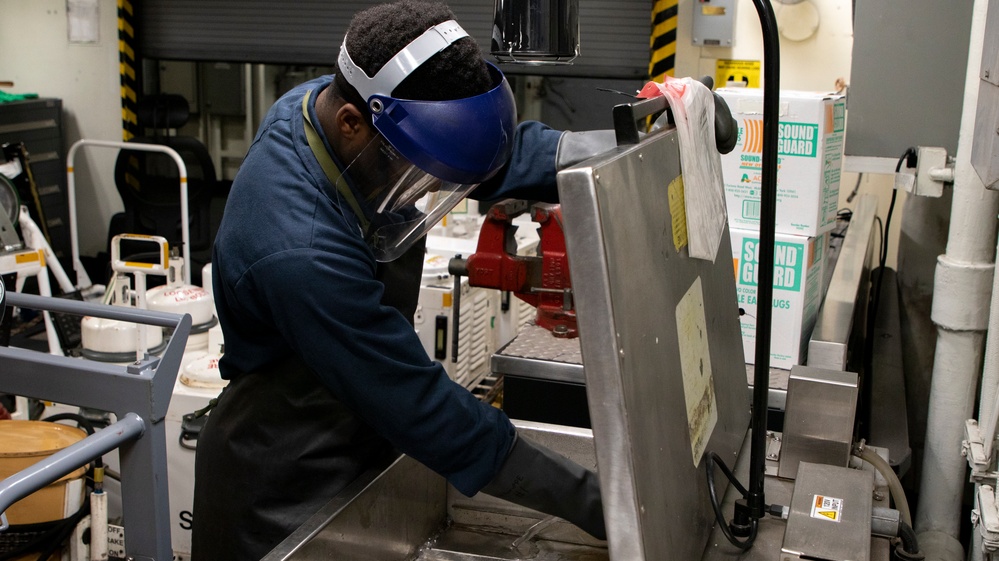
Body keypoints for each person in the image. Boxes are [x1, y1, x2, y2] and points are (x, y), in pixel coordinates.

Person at [191, 2, 608, 559]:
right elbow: (418, 405)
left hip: (357, 443)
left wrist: (630, 136)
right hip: (281, 496)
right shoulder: (301, 253)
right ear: (351, 124)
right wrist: (599, 501)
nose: (425, 189)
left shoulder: (337, 103)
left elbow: (485, 156)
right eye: (419, 171)